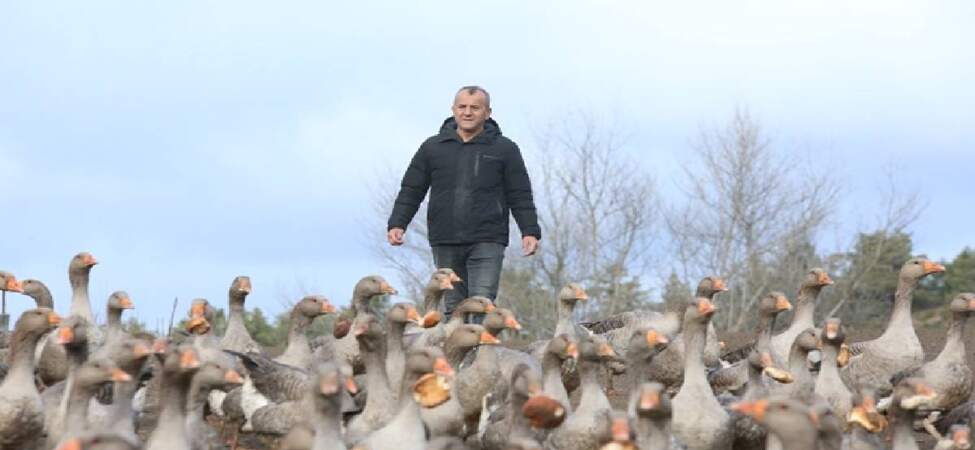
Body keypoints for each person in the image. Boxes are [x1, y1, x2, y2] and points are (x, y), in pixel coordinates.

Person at [387, 86, 541, 321]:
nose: (467, 112)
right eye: (462, 107)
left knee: (483, 304)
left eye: (475, 108)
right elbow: (411, 189)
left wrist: (529, 230)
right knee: (453, 307)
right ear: (454, 110)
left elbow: (519, 193)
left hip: (488, 239)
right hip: (445, 238)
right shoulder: (432, 148)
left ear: (487, 113)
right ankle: (457, 358)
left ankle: (480, 357)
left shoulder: (505, 149)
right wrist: (398, 223)